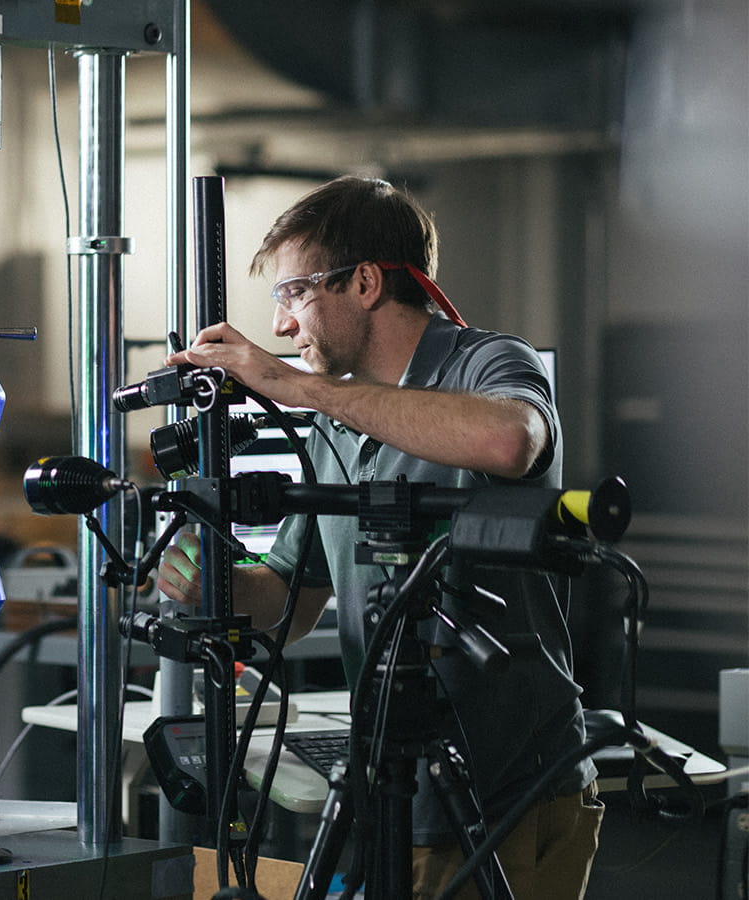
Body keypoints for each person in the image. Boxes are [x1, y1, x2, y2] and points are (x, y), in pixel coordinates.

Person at [156, 177, 602, 899]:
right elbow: (290, 605)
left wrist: (298, 389)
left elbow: (509, 440)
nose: (282, 329)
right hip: (397, 785)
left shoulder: (487, 363)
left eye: (293, 294)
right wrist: (220, 581)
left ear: (364, 281)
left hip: (514, 788)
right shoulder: (337, 425)